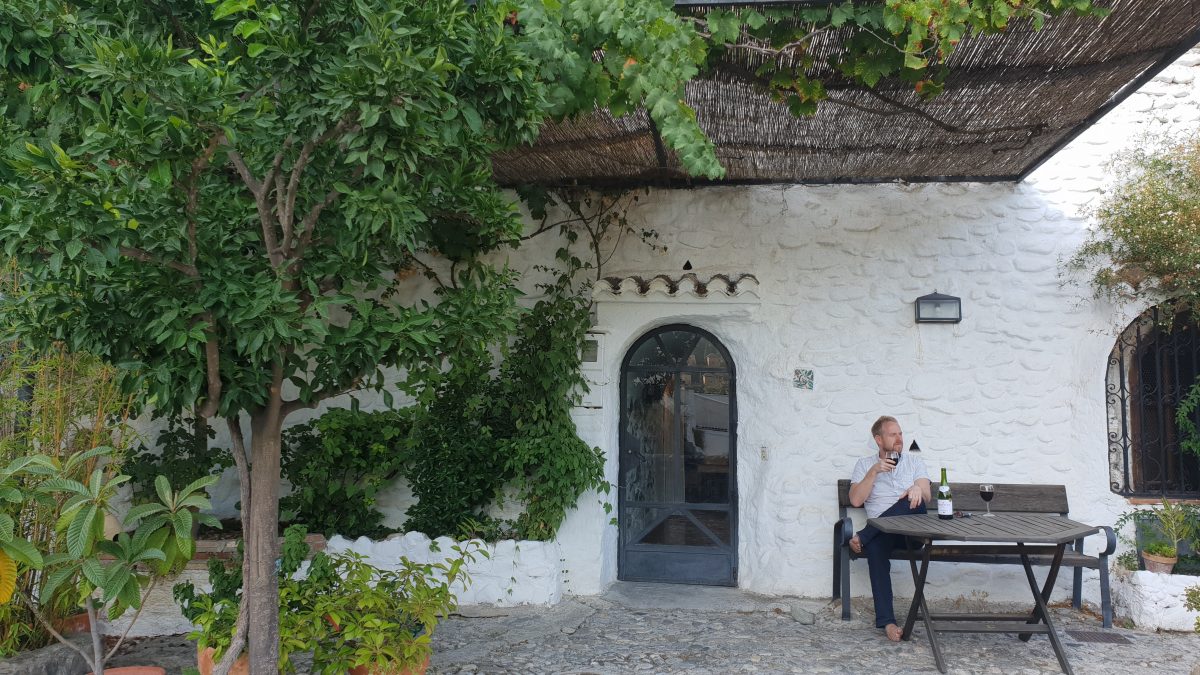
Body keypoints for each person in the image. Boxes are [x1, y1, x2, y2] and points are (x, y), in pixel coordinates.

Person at [847, 415, 931, 642]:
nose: (899, 439)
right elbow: (855, 500)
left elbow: (927, 495)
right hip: (883, 535)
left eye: (900, 434)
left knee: (912, 499)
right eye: (893, 434)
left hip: (910, 531)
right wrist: (874, 472)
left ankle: (865, 535)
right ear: (878, 439)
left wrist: (916, 488)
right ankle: (887, 621)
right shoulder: (865, 465)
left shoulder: (914, 462)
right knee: (875, 549)